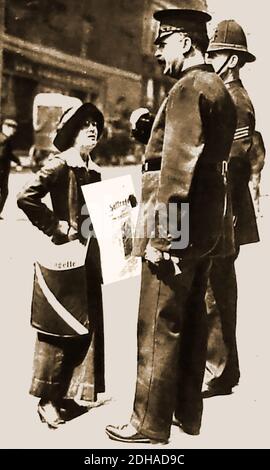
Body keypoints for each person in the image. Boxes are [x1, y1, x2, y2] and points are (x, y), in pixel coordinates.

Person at [106, 0, 237, 443]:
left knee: (157, 325)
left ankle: (146, 424)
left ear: (183, 40)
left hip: (173, 233)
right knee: (192, 324)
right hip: (202, 234)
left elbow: (177, 170)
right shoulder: (217, 87)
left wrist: (163, 238)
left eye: (161, 43)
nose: (158, 52)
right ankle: (186, 413)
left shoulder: (187, 88)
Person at [17, 103, 105, 428]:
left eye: (96, 124)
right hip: (62, 259)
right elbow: (26, 197)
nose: (92, 129)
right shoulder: (58, 165)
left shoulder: (92, 170)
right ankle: (46, 401)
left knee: (84, 325)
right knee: (56, 328)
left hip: (87, 259)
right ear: (71, 132)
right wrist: (57, 227)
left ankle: (68, 396)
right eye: (85, 125)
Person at [203, 20, 264, 398]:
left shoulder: (236, 101)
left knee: (216, 288)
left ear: (233, 60)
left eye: (216, 53)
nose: (211, 59)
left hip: (225, 208)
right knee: (218, 288)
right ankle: (226, 369)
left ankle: (220, 370)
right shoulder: (224, 94)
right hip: (222, 208)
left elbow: (234, 161)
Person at [0, 118, 21, 218]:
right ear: (5, 127)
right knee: (4, 192)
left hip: (3, 170)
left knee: (4, 192)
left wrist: (17, 161)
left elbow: (8, 154)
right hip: (2, 170)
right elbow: (3, 154)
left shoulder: (4, 139)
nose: (14, 131)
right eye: (12, 128)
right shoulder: (3, 139)